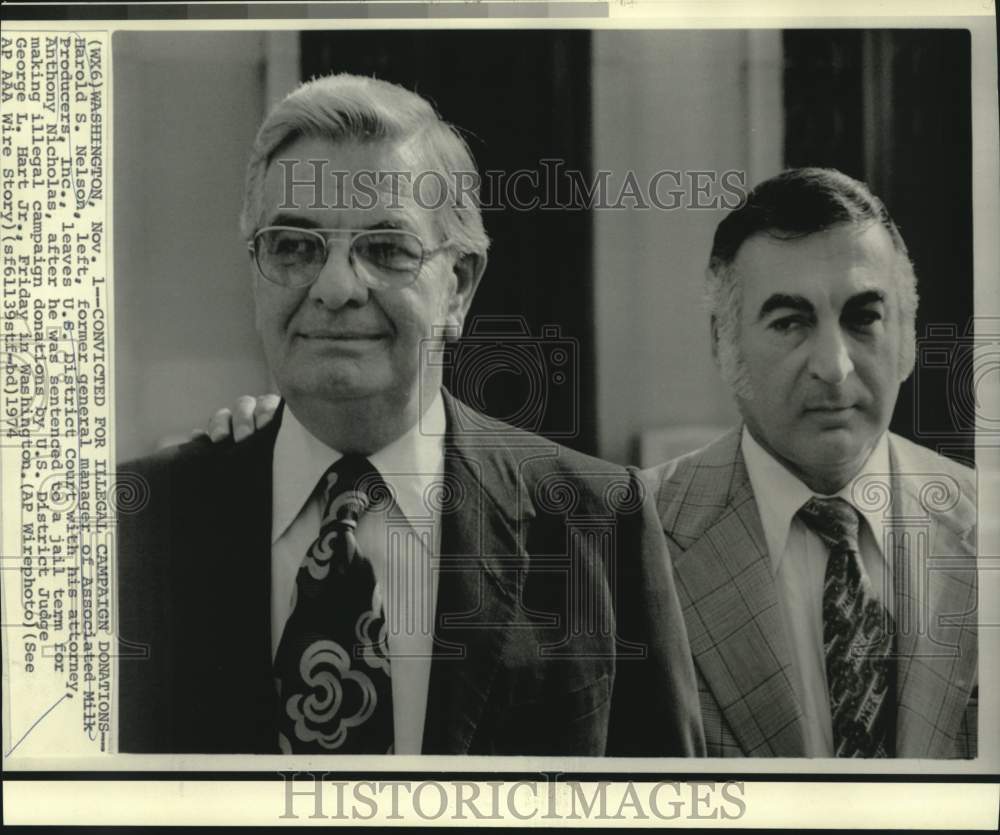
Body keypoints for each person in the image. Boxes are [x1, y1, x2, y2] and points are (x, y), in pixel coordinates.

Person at [116, 73, 704, 756]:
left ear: (457, 287)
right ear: (256, 268)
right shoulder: (136, 527)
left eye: (387, 248)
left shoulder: (598, 521)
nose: (335, 287)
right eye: (294, 246)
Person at [642, 167, 977, 757]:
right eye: (791, 323)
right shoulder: (629, 538)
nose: (835, 366)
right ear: (722, 341)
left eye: (863, 318)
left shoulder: (988, 526)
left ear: (910, 337)